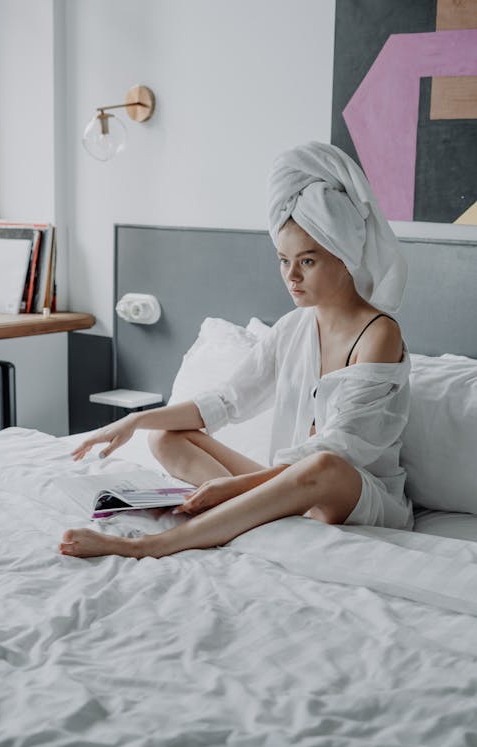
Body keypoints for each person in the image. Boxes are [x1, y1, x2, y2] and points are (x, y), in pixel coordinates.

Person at [59, 141, 413, 560]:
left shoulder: (379, 334)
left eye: (308, 261)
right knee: (165, 438)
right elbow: (228, 400)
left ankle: (152, 546)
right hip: (288, 482)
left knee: (324, 467)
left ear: (344, 255)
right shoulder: (294, 326)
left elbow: (338, 451)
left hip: (353, 495)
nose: (291, 277)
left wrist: (234, 485)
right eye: (283, 260)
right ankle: (251, 512)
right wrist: (135, 420)